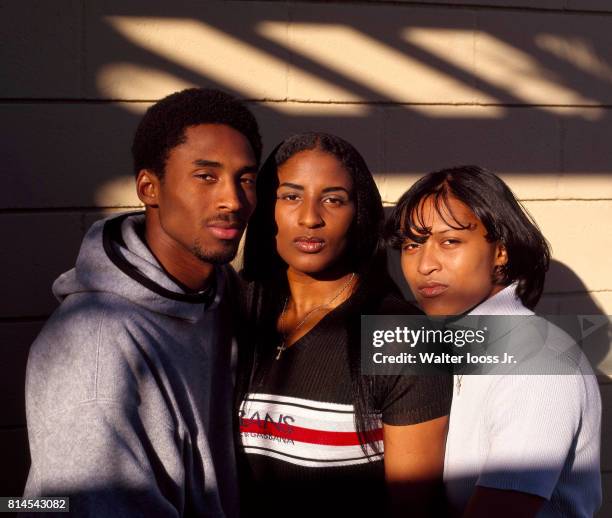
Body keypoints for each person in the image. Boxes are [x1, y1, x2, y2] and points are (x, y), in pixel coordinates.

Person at [23, 88, 262, 517]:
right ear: (149, 188)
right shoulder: (94, 344)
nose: (233, 200)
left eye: (245, 179)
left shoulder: (223, 297)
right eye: (206, 176)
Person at [237, 132, 452, 517]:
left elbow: (412, 510)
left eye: (333, 199)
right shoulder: (237, 309)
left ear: (359, 213)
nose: (310, 217)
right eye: (290, 196)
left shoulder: (404, 336)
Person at [386, 165, 602, 517]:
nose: (425, 264)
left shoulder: (538, 366)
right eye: (412, 244)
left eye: (449, 241)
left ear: (501, 251)